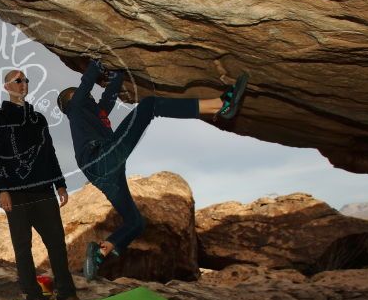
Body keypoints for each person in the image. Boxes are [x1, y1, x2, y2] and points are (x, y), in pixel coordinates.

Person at [57, 60, 249, 280]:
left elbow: (107, 98)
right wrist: (94, 69)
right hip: (99, 157)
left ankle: (101, 251)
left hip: (107, 174)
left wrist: (118, 74)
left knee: (135, 222)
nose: (86, 96)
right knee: (149, 106)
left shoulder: (95, 113)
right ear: (68, 102)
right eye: (77, 94)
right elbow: (82, 92)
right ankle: (219, 105)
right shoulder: (75, 109)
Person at [0, 69, 78, 300]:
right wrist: (1, 190)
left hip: (43, 190)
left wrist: (60, 184)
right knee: (22, 245)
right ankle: (32, 294)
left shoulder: (39, 119)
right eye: (18, 81)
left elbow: (50, 153)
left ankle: (67, 293)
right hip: (15, 193)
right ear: (7, 87)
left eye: (25, 80)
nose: (23, 84)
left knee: (57, 243)